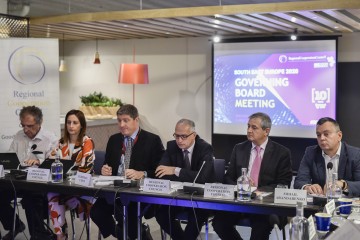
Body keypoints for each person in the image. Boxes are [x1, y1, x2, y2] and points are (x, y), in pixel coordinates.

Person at [212, 112, 292, 240]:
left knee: (260, 228)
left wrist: (257, 190)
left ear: (266, 131)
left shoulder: (281, 153)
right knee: (219, 222)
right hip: (239, 201)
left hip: (264, 205)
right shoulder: (239, 148)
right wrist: (241, 184)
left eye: (254, 128)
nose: (249, 130)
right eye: (248, 126)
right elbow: (228, 178)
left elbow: (283, 184)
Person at [90, 104, 165, 240]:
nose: (122, 124)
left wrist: (142, 174)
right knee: (96, 212)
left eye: (126, 120)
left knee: (128, 219)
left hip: (138, 193)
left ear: (136, 120)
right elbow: (107, 164)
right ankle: (125, 234)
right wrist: (104, 170)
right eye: (119, 121)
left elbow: (160, 171)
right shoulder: (114, 140)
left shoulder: (152, 140)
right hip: (114, 191)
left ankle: (132, 233)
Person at [0, 106, 58, 240]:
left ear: (40, 122)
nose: (26, 130)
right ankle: (15, 225)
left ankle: (39, 235)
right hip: (18, 179)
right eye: (23, 125)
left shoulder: (50, 138)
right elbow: (9, 158)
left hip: (39, 183)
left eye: (30, 126)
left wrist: (39, 161)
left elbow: (56, 164)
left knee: (31, 198)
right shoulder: (19, 135)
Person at [155, 119, 215, 240]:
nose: (179, 140)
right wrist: (181, 174)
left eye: (183, 136)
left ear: (194, 135)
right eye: (176, 136)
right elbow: (161, 172)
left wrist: (176, 170)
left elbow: (202, 178)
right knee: (161, 214)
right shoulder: (172, 146)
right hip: (177, 196)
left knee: (196, 217)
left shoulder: (205, 148)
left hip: (199, 199)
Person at [47, 109, 95, 240]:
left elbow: (86, 168)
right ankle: (61, 235)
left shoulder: (87, 142)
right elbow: (50, 162)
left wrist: (65, 171)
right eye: (68, 122)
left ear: (82, 125)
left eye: (75, 123)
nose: (71, 126)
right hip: (64, 189)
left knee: (55, 197)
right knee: (51, 195)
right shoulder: (61, 142)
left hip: (82, 189)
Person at [294, 117, 360, 196]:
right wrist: (307, 187)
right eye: (318, 135)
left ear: (339, 136)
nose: (322, 138)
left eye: (326, 134)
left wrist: (343, 184)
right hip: (319, 205)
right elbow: (299, 181)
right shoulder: (311, 153)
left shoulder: (355, 155)